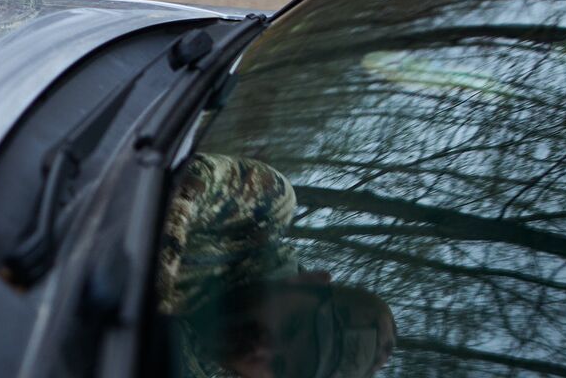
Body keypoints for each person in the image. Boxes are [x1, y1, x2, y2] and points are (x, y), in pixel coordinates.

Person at [157, 153, 396, 378]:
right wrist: (154, 317)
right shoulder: (259, 217)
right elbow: (183, 183)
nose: (261, 351)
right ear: (310, 281)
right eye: (291, 327)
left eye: (279, 366)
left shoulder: (195, 367)